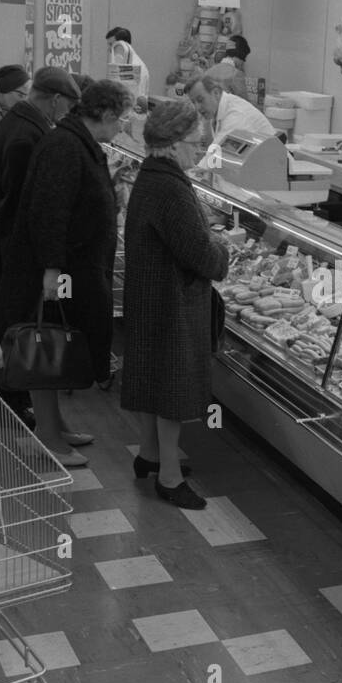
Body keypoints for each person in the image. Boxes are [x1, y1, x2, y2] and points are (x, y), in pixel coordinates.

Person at [0, 79, 123, 467]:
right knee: (46, 345)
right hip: (53, 272)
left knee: (56, 345)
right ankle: (47, 436)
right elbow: (50, 211)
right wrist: (51, 271)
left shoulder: (74, 141)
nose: (121, 129)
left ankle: (57, 424)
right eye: (121, 121)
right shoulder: (65, 146)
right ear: (107, 115)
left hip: (68, 267)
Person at [120, 97, 232, 510]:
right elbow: (200, 255)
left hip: (151, 295)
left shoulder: (151, 177)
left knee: (152, 380)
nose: (200, 153)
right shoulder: (171, 188)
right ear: (173, 143)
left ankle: (149, 455)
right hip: (171, 301)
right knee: (172, 389)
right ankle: (168, 477)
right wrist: (222, 251)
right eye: (196, 144)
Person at [0, 65, 81, 342]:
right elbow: (23, 202)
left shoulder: (17, 122)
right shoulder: (28, 137)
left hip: (3, 244)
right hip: (14, 250)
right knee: (19, 327)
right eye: (68, 106)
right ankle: (15, 378)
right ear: (56, 99)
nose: (67, 113)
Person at [187, 71, 276, 150]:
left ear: (216, 93)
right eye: (193, 102)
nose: (197, 107)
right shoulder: (217, 112)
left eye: (200, 100)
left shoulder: (235, 116)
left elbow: (215, 158)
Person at [206, 33, 255, 103]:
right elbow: (244, 103)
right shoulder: (237, 75)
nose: (243, 63)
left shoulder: (208, 72)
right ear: (239, 56)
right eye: (244, 59)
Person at [105, 26, 151, 101]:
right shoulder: (132, 63)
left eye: (111, 44)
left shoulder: (132, 66)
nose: (109, 49)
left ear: (122, 45)